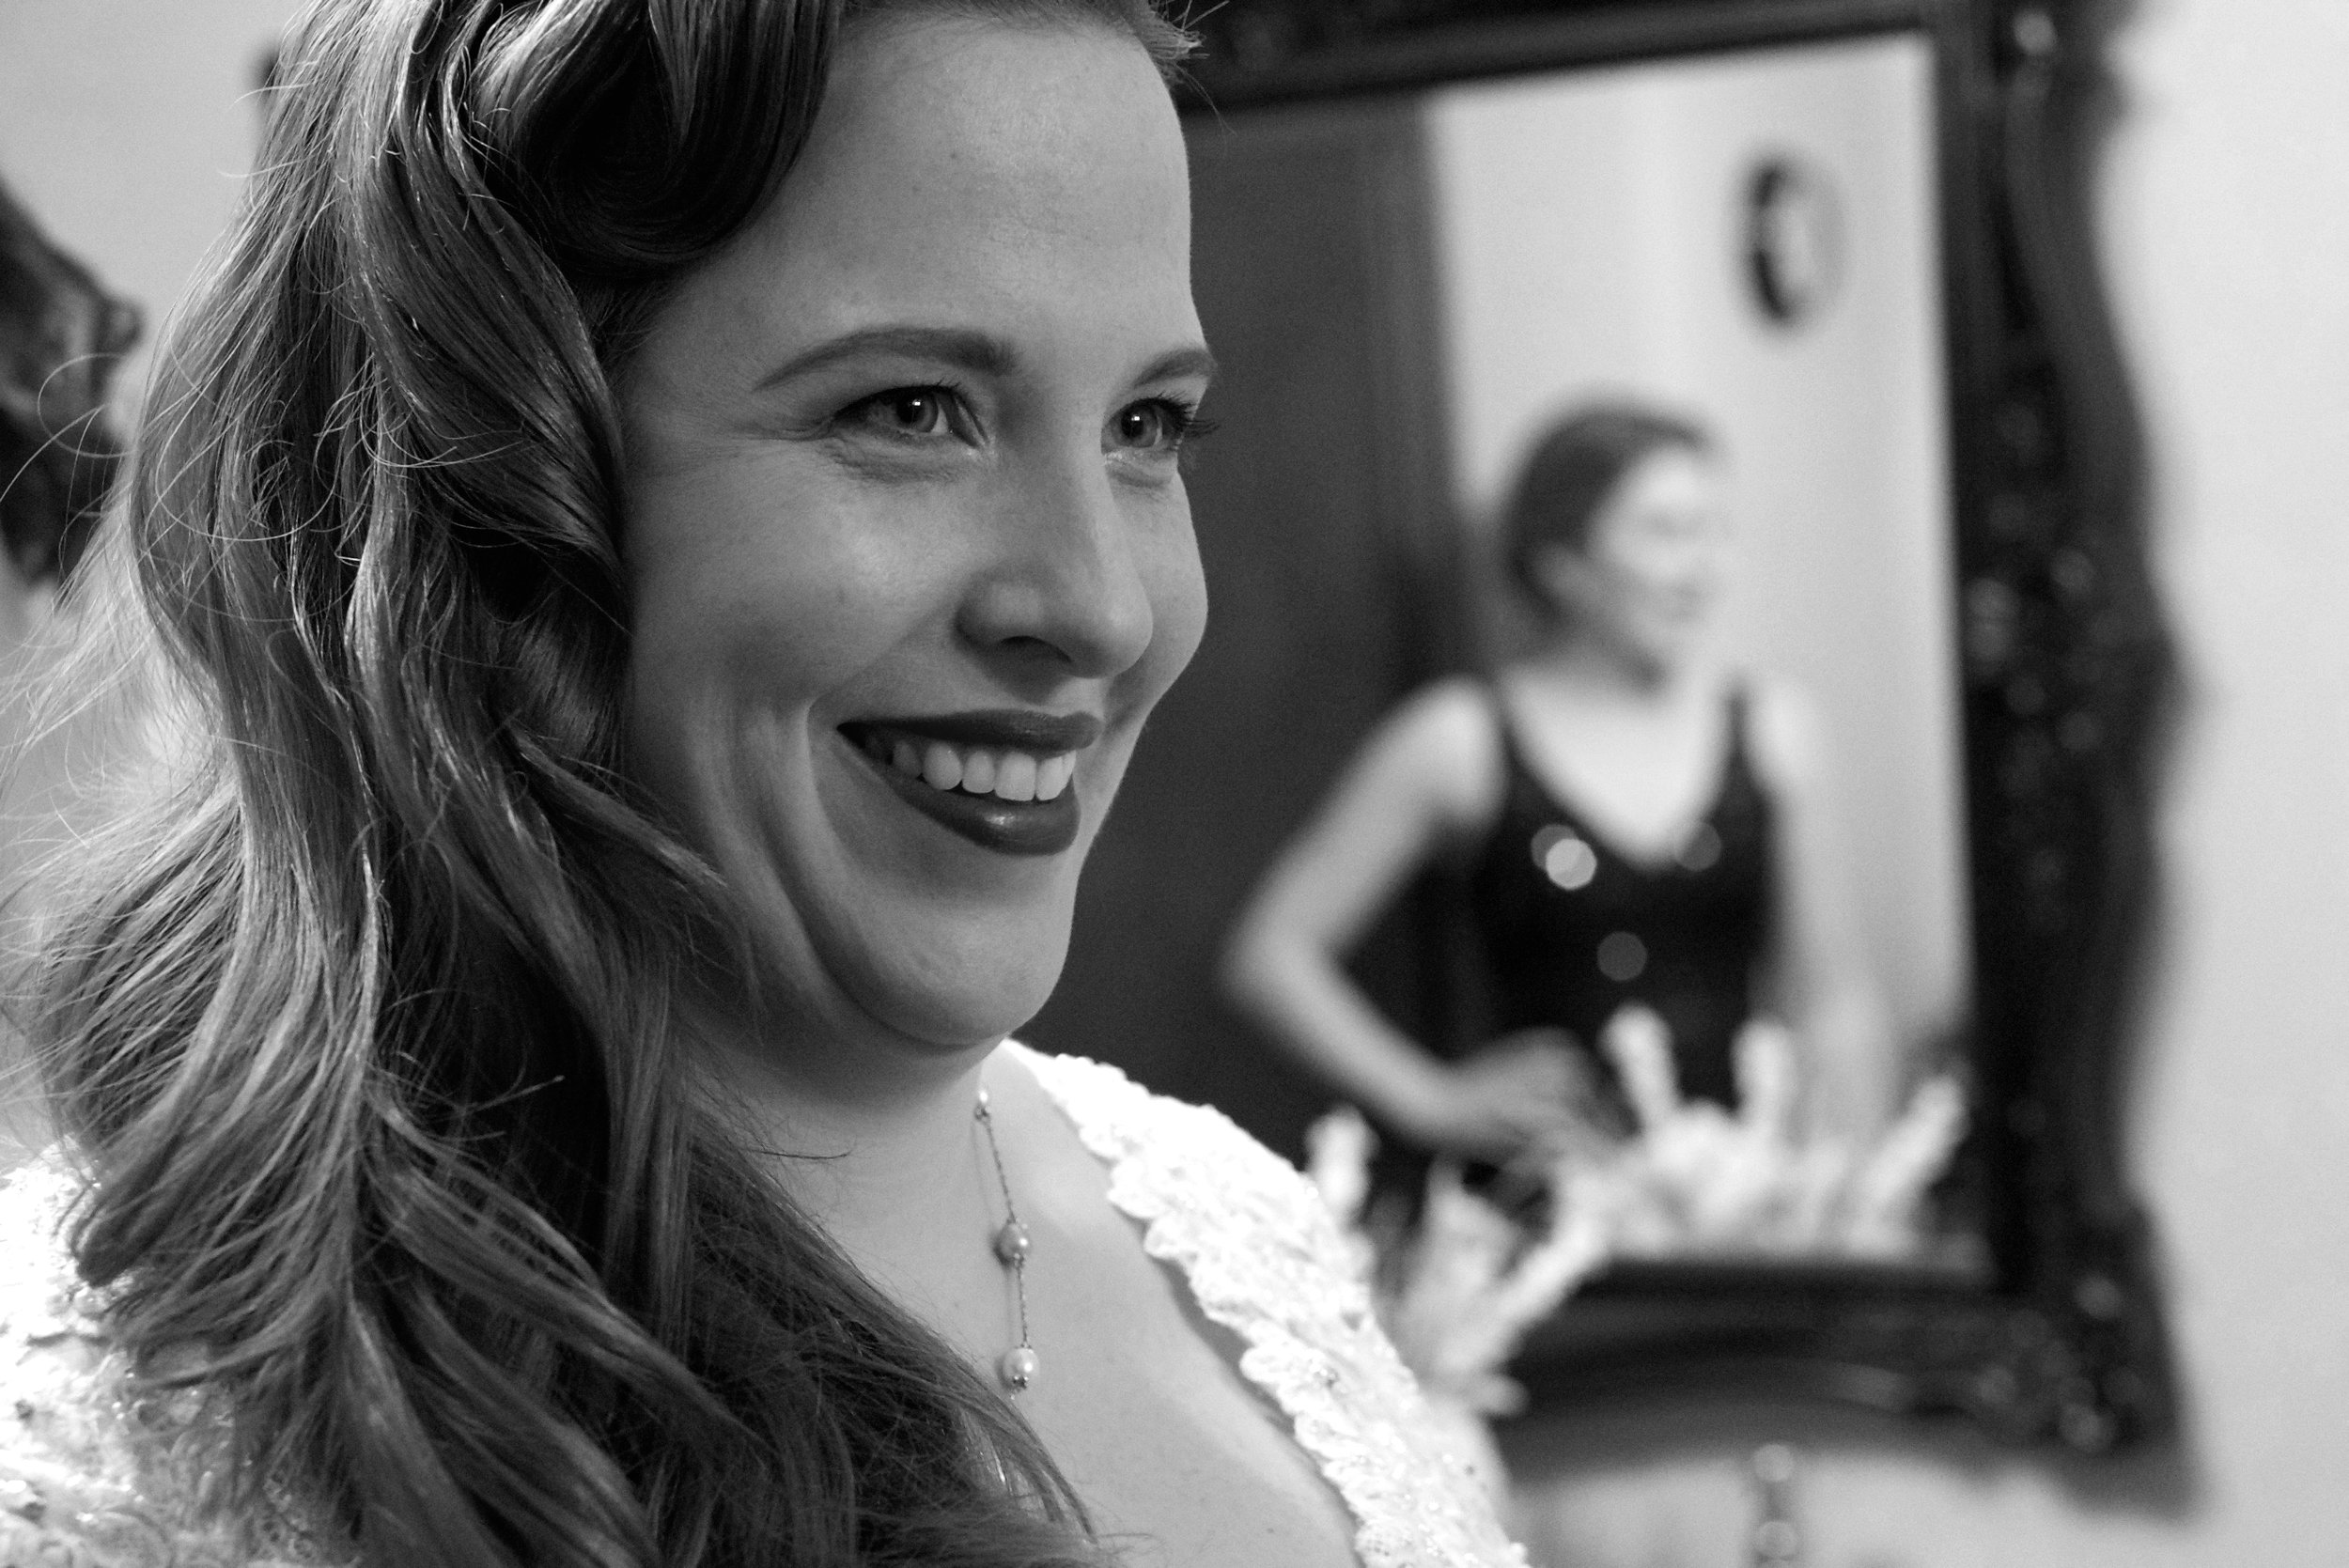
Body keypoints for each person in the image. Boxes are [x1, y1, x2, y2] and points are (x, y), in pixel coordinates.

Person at [0, 2, 1526, 1565]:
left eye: (1149, 426)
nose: (1103, 608)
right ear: (492, 488)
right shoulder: (120, 1446)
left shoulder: (1242, 1235)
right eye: (911, 410)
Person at [1223, 403, 1890, 1170]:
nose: (1705, 569)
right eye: (1667, 532)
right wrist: (1432, 1100)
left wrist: (1861, 1188)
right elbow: (1271, 952)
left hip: (1735, 1187)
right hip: (1544, 1197)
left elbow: (1836, 999)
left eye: (1716, 531)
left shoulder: (1775, 728)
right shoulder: (1459, 738)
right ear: (1562, 562)